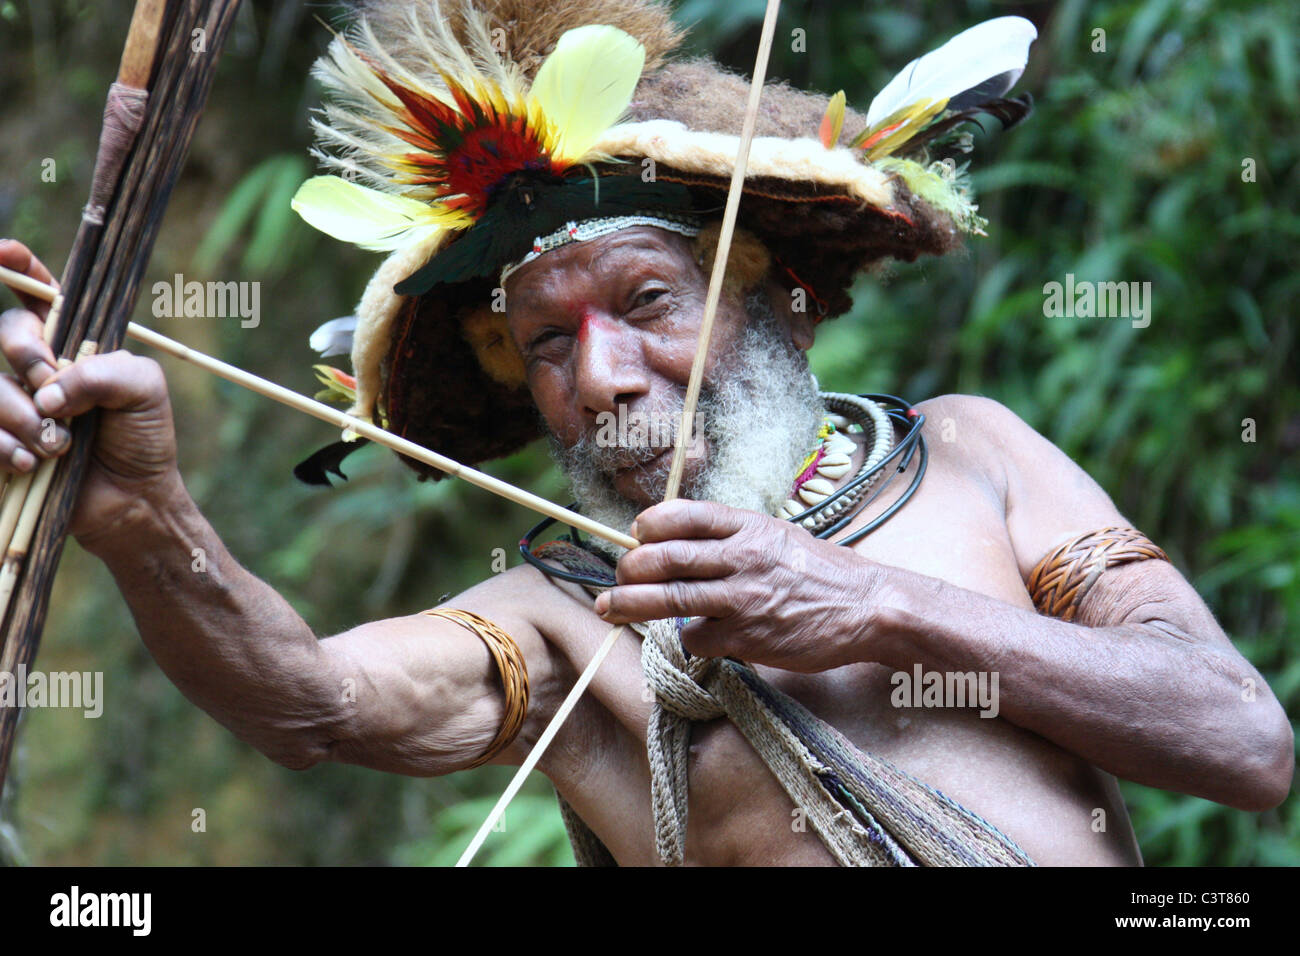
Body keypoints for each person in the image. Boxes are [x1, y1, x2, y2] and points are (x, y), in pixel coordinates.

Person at [0, 0, 1290, 866]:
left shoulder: (967, 451)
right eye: (548, 342)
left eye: (647, 302)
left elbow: (1242, 744)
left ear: (767, 287)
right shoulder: (565, 620)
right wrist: (147, 522)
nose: (604, 377)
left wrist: (876, 606)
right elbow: (314, 700)